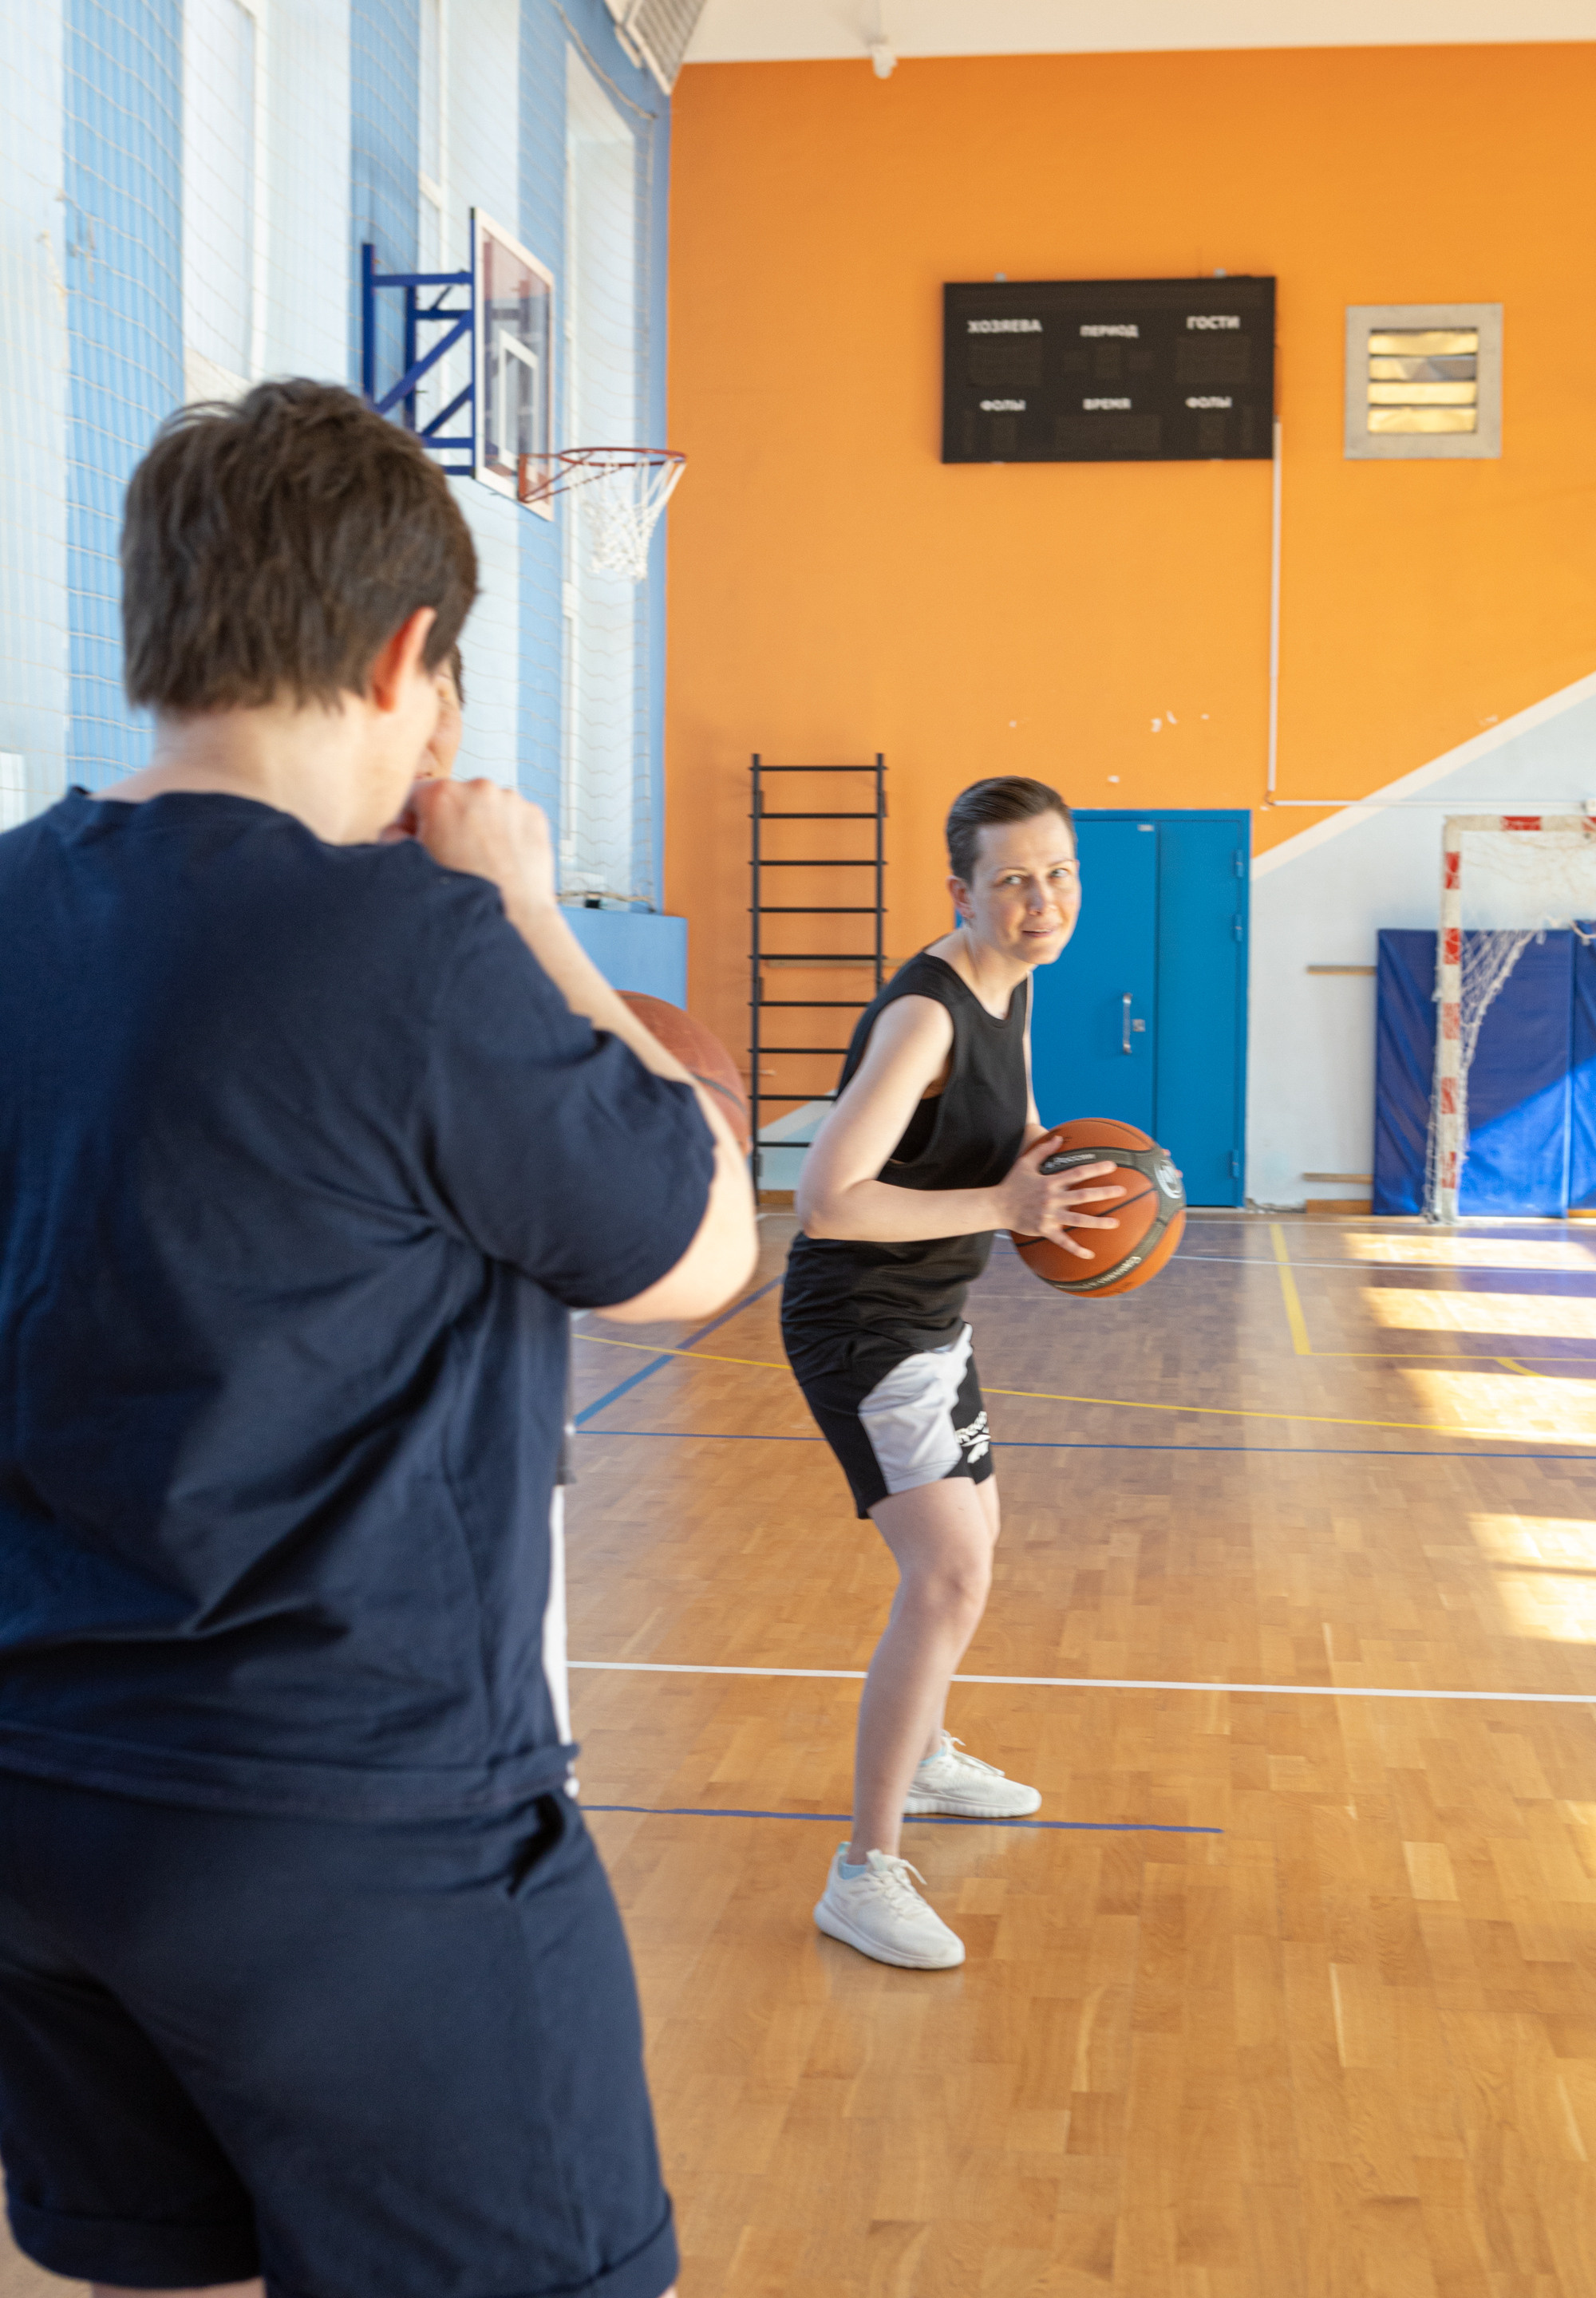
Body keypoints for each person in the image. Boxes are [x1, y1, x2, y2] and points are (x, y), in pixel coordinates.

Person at [0, 379, 756, 2298]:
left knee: (150, 2273)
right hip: (351, 1831)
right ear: (406, 653)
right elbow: (697, 1252)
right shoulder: (414, 953)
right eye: (451, 686)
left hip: (40, 1811)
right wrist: (527, 914)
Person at [780, 778, 1124, 1970]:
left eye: (1061, 873)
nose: (1043, 902)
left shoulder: (1015, 979)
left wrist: (1071, 1174)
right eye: (1015, 881)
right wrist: (1002, 1201)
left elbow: (1015, 1122)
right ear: (962, 893)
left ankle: (923, 1757)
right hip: (862, 1322)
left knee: (978, 1538)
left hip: (931, 1310)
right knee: (947, 1574)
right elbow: (822, 1200)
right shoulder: (923, 1017)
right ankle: (862, 1871)